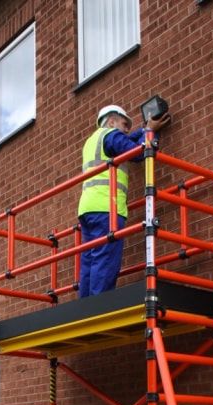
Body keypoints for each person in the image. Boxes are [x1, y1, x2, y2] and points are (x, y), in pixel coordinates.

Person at [77, 104, 170, 298]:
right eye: (124, 124)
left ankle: (84, 305)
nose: (127, 129)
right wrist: (149, 132)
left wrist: (143, 130)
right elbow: (138, 152)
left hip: (87, 208)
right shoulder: (111, 135)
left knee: (89, 259)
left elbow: (124, 141)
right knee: (105, 258)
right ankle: (99, 305)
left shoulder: (92, 140)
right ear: (111, 122)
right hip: (107, 207)